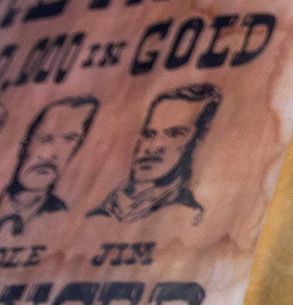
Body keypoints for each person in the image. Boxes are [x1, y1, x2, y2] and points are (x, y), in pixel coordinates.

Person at [88, 83, 221, 225]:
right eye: (149, 134)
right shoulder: (105, 209)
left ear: (199, 137)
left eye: (174, 134)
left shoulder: (189, 215)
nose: (151, 148)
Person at [0, 96, 97, 236]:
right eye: (44, 139)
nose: (50, 155)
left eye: (69, 141)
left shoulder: (64, 217)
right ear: (24, 144)